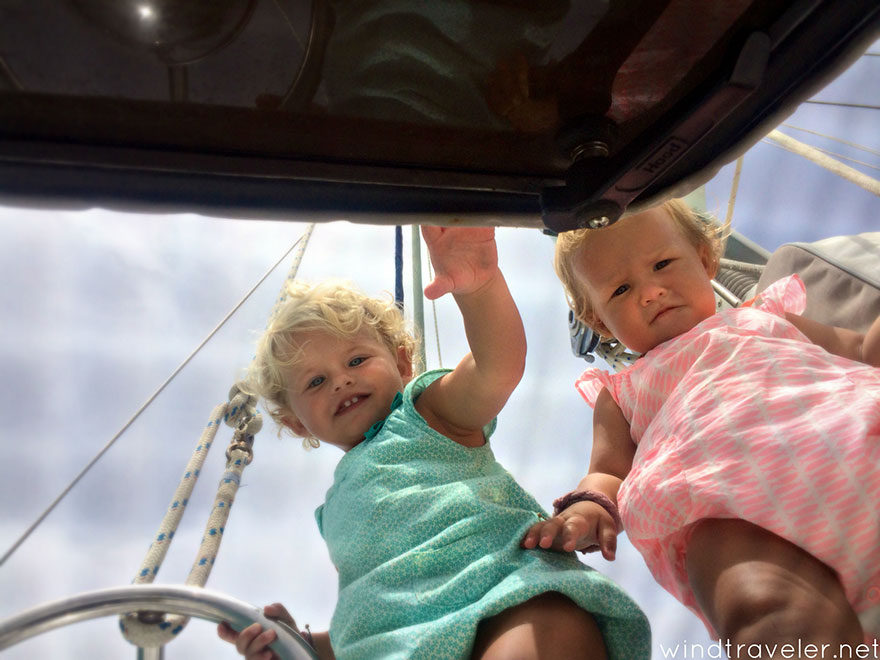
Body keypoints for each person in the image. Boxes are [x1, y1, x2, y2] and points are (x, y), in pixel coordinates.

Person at [217, 226, 651, 660]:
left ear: (403, 362)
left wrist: (478, 286)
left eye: (356, 359)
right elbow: (381, 612)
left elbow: (496, 368)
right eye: (316, 381)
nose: (341, 380)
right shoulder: (334, 514)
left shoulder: (426, 413)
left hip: (515, 601)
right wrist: (303, 645)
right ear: (297, 424)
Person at [522, 199, 880, 652]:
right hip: (724, 510)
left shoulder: (765, 317)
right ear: (599, 321)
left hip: (856, 438)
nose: (649, 292)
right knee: (762, 608)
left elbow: (858, 350)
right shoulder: (622, 392)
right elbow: (608, 472)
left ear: (705, 259)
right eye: (621, 290)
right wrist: (588, 508)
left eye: (663, 264)